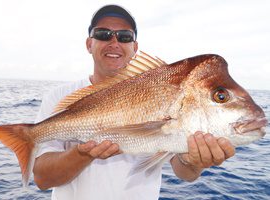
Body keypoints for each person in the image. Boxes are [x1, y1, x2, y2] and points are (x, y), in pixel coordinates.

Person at [33, 4, 235, 200]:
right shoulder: (59, 97)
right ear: (89, 44)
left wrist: (194, 162)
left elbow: (185, 173)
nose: (114, 42)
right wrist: (83, 154)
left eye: (125, 36)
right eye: (103, 34)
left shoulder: (163, 92)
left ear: (134, 47)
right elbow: (42, 179)